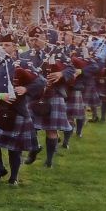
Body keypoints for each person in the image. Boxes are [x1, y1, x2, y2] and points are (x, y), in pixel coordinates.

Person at [0, 32, 46, 186]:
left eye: (7, 45)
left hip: (17, 109)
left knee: (15, 147)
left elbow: (41, 81)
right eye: (1, 45)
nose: (3, 47)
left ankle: (14, 177)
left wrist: (26, 89)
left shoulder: (24, 64)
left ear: (15, 47)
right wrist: (0, 95)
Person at [21, 26, 75, 168]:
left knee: (51, 129)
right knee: (29, 127)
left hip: (53, 93)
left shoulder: (56, 52)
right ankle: (34, 149)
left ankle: (49, 161)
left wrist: (61, 74)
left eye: (37, 38)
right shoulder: (24, 55)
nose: (34, 42)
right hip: (33, 95)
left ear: (45, 38)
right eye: (31, 39)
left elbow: (71, 68)